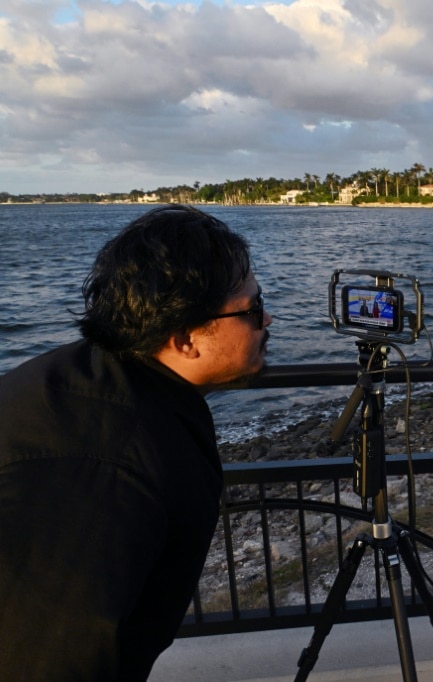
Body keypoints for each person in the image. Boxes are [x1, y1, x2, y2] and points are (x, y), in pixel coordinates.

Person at [0, 204, 271, 680]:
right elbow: (52, 655)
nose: (267, 320)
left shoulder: (91, 378)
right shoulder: (104, 466)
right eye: (252, 309)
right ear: (186, 338)